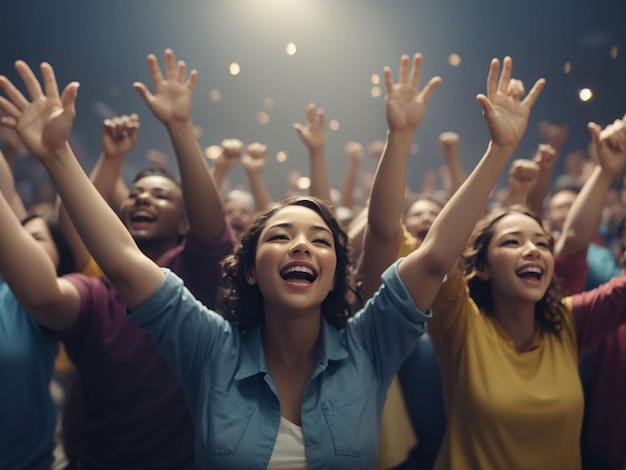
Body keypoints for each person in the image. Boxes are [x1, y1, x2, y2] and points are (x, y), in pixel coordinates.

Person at [0, 50, 527, 469]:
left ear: (334, 274)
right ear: (250, 266)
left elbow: (434, 258)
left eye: (320, 240)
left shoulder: (370, 344)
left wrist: (497, 152)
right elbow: (119, 260)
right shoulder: (207, 347)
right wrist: (56, 155)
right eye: (281, 236)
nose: (302, 245)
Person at [0, 48, 236, 469]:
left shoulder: (197, 275)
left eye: (161, 195)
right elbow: (42, 294)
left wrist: (179, 126)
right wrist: (67, 156)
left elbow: (211, 226)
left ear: (183, 223)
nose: (144, 197)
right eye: (138, 194)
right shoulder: (96, 293)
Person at [427, 113, 626, 469]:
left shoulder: (566, 322)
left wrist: (606, 171)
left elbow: (579, 248)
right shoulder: (460, 324)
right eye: (512, 242)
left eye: (541, 242)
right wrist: (498, 151)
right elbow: (439, 255)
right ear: (483, 267)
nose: (533, 250)